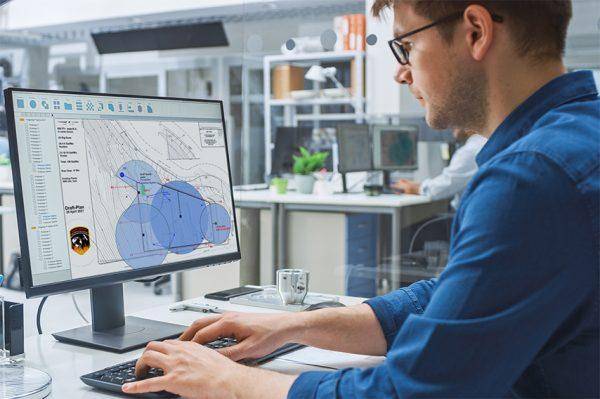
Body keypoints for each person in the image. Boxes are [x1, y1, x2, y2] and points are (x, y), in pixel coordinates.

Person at [123, 1, 599, 397]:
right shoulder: (577, 138)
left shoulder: (533, 178)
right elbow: (462, 299)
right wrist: (291, 327)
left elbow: (415, 391)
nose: (401, 73)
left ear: (475, 31)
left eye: (407, 45)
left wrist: (232, 381)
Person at [392, 128, 486, 209]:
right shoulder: (481, 143)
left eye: (456, 120)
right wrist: (418, 185)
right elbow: (451, 180)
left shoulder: (469, 151)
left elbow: (445, 185)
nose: (451, 126)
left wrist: (415, 188)